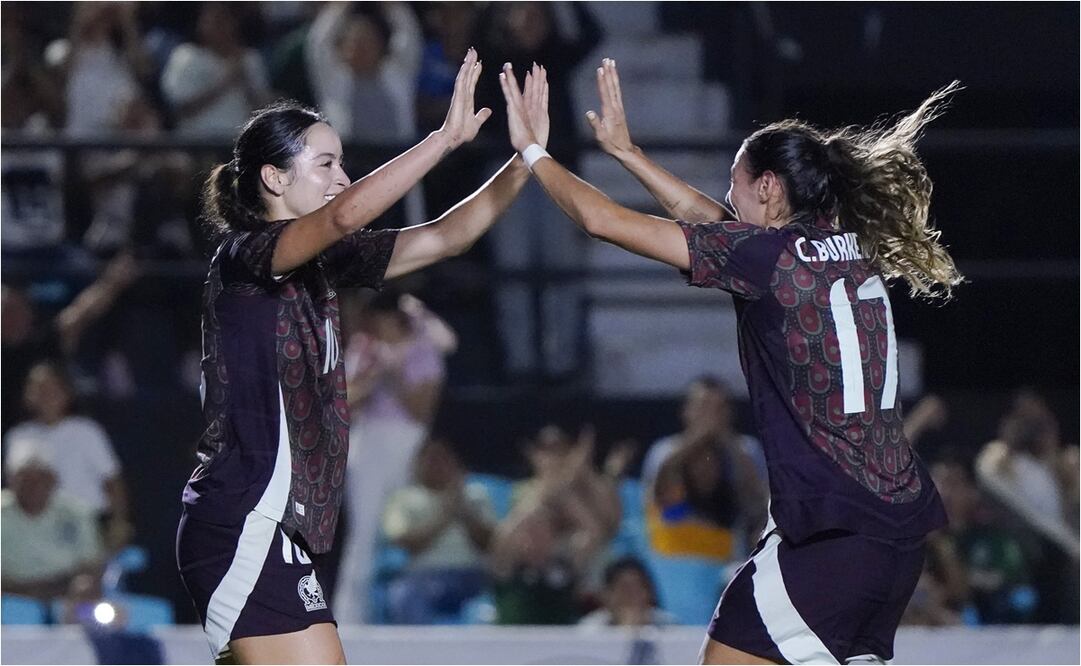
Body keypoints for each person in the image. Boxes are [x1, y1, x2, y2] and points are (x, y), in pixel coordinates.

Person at [500, 58, 963, 664]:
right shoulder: (847, 249)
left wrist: (535, 152)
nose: (727, 197)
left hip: (829, 540)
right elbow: (716, 225)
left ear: (769, 188)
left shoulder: (766, 259)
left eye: (736, 183)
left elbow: (601, 220)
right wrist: (628, 153)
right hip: (896, 542)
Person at [175, 51, 549, 664]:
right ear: (274, 178)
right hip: (242, 516)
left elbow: (448, 235)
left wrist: (527, 158)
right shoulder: (245, 256)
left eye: (342, 163)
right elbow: (347, 212)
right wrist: (443, 139)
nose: (343, 177)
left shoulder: (324, 260)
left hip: (274, 527)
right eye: (325, 163)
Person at [334, 290, 454, 623]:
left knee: (402, 533)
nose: (371, 326)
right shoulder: (364, 348)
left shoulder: (423, 350)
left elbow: (420, 411)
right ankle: (350, 620)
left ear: (392, 318)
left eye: (377, 319)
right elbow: (344, 400)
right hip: (368, 444)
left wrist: (393, 372)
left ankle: (400, 615)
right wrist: (370, 379)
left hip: (407, 444)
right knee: (363, 534)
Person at [3, 362, 133, 553]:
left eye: (52, 389)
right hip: (32, 530)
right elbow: (11, 487)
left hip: (89, 524)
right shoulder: (17, 436)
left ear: (66, 393)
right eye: (39, 390)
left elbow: (113, 481)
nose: (46, 396)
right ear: (28, 396)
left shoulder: (87, 431)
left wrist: (119, 523)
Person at [642, 376, 768, 560]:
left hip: (730, 547)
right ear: (686, 411)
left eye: (718, 408)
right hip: (675, 546)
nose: (710, 415)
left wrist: (727, 441)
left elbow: (760, 502)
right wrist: (697, 439)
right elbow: (657, 499)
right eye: (702, 407)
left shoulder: (746, 448)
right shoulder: (664, 449)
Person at [381, 437, 495, 624]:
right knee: (405, 596)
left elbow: (490, 543)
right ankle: (419, 652)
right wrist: (446, 514)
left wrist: (463, 509)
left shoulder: (475, 494)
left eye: (443, 458)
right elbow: (405, 542)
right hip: (423, 576)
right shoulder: (404, 498)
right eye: (431, 459)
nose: (437, 465)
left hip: (472, 576)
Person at [1, 447, 105, 605]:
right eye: (25, 480)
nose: (33, 487)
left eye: (40, 480)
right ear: (12, 481)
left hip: (62, 589)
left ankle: (73, 629)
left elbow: (91, 563)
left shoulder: (76, 513)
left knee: (86, 585)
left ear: (53, 481)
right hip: (9, 589)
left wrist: (58, 586)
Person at [578, 556, 677, 629]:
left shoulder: (669, 626)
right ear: (606, 595)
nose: (632, 596)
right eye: (624, 589)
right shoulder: (589, 629)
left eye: (638, 589)